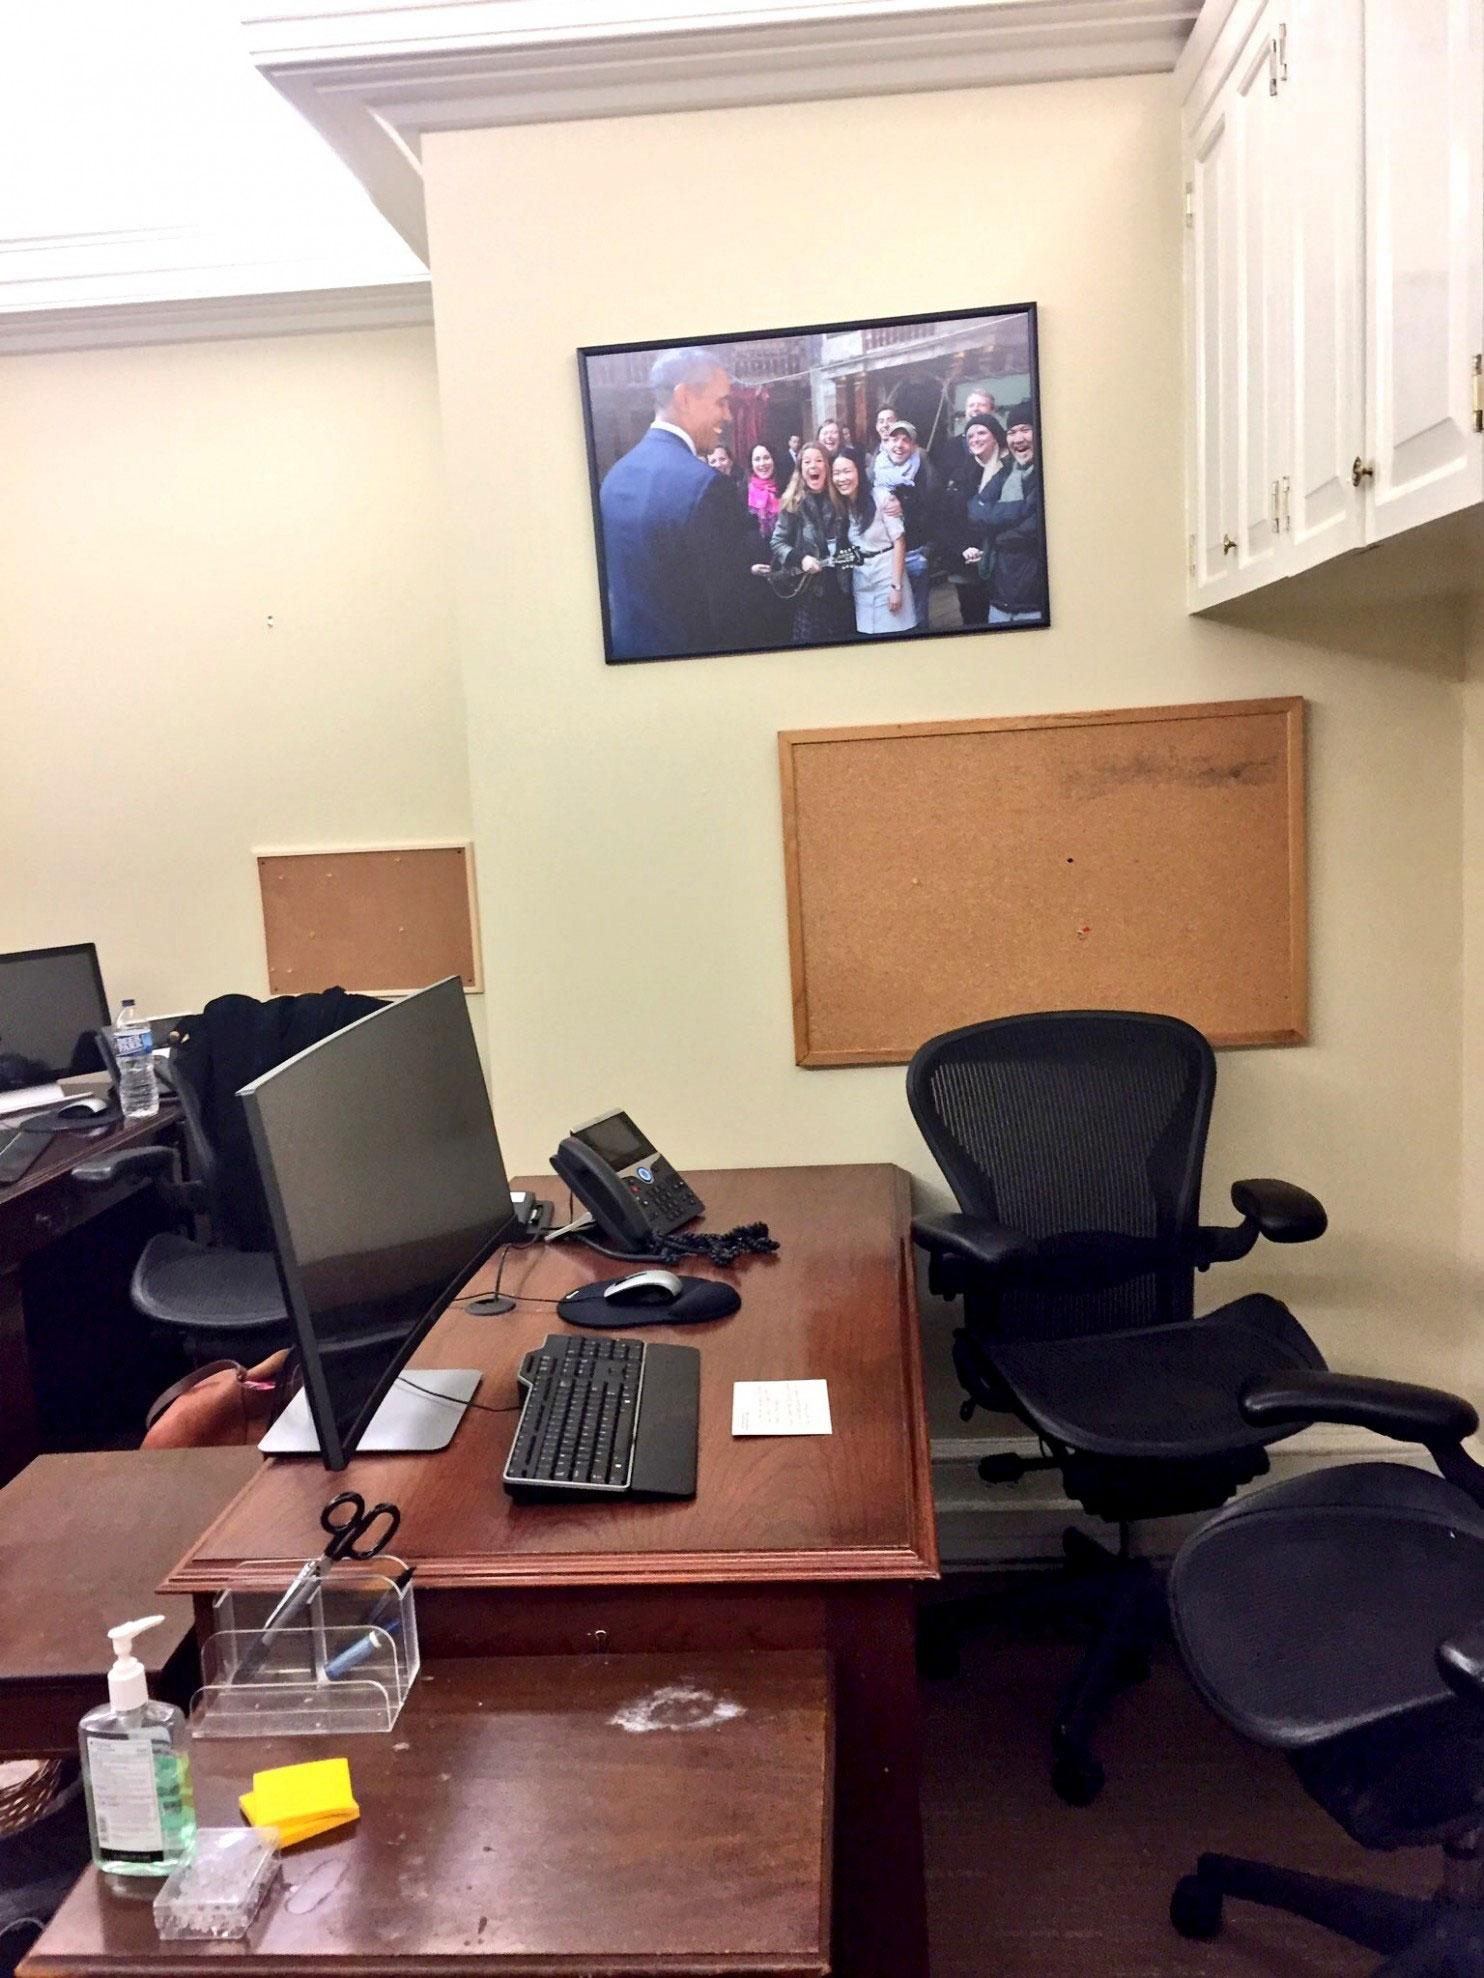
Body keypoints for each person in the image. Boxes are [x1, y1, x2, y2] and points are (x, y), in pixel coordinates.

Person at [598, 347, 762, 660]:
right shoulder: (706, 486)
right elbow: (732, 612)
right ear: (684, 397)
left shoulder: (615, 477)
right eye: (721, 401)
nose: (728, 415)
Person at [968, 405, 1047, 628]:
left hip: (1035, 600)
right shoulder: (1006, 472)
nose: (1018, 438)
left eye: (1025, 429)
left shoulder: (1047, 473)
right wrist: (1022, 509)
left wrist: (996, 533)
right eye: (1012, 432)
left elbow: (1034, 529)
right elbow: (975, 509)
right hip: (999, 596)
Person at [770, 441, 855, 645]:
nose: (813, 465)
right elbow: (777, 542)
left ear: (827, 466)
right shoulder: (792, 502)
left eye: (819, 460)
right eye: (807, 462)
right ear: (801, 469)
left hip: (842, 589)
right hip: (810, 594)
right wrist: (801, 559)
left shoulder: (841, 499)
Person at [871, 418, 942, 629]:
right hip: (885, 560)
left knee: (918, 619)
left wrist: (906, 508)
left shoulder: (925, 471)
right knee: (890, 618)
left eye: (905, 440)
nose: (899, 445)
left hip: (914, 553)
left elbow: (935, 511)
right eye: (894, 439)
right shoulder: (873, 472)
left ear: (913, 446)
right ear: (885, 443)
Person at [831, 453, 913, 635]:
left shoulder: (882, 497)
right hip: (862, 581)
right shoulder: (842, 507)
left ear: (859, 472)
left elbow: (899, 542)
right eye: (836, 473)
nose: (842, 478)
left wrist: (896, 587)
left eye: (847, 471)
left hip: (888, 577)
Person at [947, 413, 1007, 628]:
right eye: (970, 435)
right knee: (972, 622)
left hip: (1001, 565)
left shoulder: (1009, 470)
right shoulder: (961, 472)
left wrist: (986, 551)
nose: (975, 439)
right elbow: (952, 518)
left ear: (995, 437)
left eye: (981, 433)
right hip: (966, 567)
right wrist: (964, 548)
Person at [743, 442, 783, 544]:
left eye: (766, 458)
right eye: (757, 459)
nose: (762, 464)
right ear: (751, 464)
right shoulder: (743, 490)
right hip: (755, 554)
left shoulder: (786, 487)